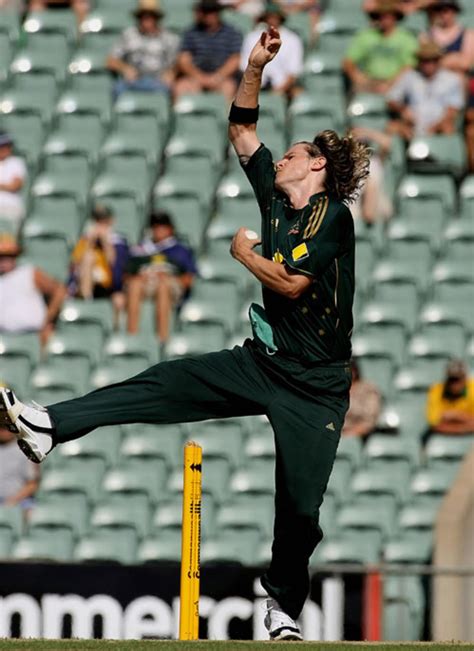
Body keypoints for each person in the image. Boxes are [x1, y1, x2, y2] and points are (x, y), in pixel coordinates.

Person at [0, 26, 370, 641]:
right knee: (162, 382)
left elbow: (291, 286)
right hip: (263, 363)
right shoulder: (275, 202)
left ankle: (282, 605)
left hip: (316, 387)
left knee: (300, 510)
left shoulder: (334, 216)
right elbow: (243, 130)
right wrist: (252, 66)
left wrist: (243, 254)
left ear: (318, 166)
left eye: (294, 153)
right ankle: (49, 424)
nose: (280, 158)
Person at [126, 212, 197, 342]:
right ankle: (132, 337)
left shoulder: (180, 250)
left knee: (163, 285)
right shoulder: (141, 250)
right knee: (135, 284)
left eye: (162, 226)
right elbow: (127, 276)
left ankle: (162, 339)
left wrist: (170, 279)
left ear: (170, 228)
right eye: (155, 226)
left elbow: (189, 278)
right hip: (146, 283)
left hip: (170, 284)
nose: (158, 230)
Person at [387, 40, 465, 138]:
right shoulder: (409, 76)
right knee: (392, 127)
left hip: (438, 127)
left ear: (438, 60)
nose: (428, 64)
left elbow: (453, 109)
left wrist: (436, 126)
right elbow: (391, 99)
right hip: (412, 125)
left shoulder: (452, 79)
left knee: (448, 129)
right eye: (424, 60)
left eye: (432, 60)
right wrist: (403, 110)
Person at [0, 234, 66, 346]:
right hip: (3, 340)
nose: (4, 260)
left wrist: (48, 320)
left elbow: (59, 291)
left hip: (34, 336)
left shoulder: (29, 272)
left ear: (15, 256)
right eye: (1, 257)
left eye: (9, 256)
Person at [68, 204, 129, 325]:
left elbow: (116, 268)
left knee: (119, 300)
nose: (101, 226)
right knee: (89, 256)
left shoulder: (119, 242)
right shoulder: (85, 240)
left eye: (104, 222)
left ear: (111, 222)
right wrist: (90, 242)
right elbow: (74, 266)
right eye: (98, 221)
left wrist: (106, 243)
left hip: (108, 284)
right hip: (85, 282)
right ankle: (87, 303)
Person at [107, 0, 179, 99]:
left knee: (170, 90)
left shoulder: (169, 38)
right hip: (134, 80)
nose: (146, 19)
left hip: (158, 81)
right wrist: (124, 68)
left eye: (150, 16)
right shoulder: (128, 34)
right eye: (143, 16)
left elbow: (178, 63)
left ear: (157, 18)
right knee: (117, 88)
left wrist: (171, 73)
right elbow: (111, 61)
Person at [174, 0, 243, 102]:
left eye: (213, 11)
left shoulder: (232, 32)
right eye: (206, 11)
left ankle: (225, 117)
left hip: (223, 78)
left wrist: (217, 77)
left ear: (218, 13)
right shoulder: (191, 32)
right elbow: (184, 59)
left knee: (228, 88)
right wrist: (199, 77)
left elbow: (235, 60)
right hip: (195, 77)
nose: (209, 15)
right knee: (180, 87)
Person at [343, 0, 418, 94]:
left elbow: (409, 66)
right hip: (370, 82)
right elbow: (348, 62)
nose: (385, 20)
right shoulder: (366, 36)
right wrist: (359, 78)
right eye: (382, 16)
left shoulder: (406, 38)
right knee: (356, 93)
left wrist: (390, 83)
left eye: (389, 16)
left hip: (396, 83)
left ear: (396, 17)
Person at [240, 2, 303, 97]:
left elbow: (293, 72)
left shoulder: (292, 39)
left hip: (283, 88)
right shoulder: (252, 37)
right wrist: (255, 85)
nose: (272, 20)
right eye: (269, 17)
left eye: (275, 17)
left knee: (298, 93)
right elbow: (244, 65)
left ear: (280, 18)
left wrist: (278, 91)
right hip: (255, 85)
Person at [421, 0, 474, 74]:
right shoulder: (427, 34)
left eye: (446, 11)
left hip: (457, 77)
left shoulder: (467, 34)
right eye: (439, 11)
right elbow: (424, 61)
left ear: (455, 12)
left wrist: (438, 61)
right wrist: (454, 58)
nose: (443, 15)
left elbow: (466, 63)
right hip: (433, 78)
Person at [426, 359, 474, 438]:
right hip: (442, 437)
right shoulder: (437, 391)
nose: (454, 384)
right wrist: (465, 426)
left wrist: (455, 415)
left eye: (458, 379)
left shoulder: (473, 389)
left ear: (465, 379)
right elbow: (435, 424)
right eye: (451, 379)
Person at [0, 425, 39, 513]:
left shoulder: (25, 450)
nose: (4, 431)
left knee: (31, 510)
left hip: (18, 502)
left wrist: (11, 501)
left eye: (7, 427)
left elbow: (32, 484)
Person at [342, 359, 382, 438]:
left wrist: (350, 433)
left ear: (354, 371)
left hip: (361, 435)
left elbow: (369, 420)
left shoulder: (368, 389)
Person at [0, 132, 27, 233]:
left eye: (7, 146)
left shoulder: (16, 162)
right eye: (1, 146)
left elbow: (15, 186)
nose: (4, 149)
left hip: (11, 209)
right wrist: (5, 186)